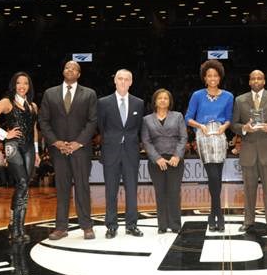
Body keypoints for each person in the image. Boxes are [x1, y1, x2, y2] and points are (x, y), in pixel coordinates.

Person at [38, 60, 97, 240]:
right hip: (59, 150)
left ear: (79, 74)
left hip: (81, 149)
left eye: (74, 68)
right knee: (62, 188)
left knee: (82, 187)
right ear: (63, 71)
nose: (70, 70)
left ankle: (86, 226)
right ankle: (61, 227)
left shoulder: (89, 94)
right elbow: (43, 121)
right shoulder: (50, 93)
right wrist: (56, 142)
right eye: (67, 67)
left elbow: (92, 121)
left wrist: (78, 143)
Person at [0, 72, 41, 242]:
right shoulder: (7, 102)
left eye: (25, 83)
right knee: (22, 183)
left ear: (29, 87)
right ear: (13, 85)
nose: (22, 86)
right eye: (18, 83)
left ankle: (16, 225)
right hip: (13, 146)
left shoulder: (33, 106)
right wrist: (4, 135)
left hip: (29, 147)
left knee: (24, 185)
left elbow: (34, 130)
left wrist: (36, 151)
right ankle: (16, 228)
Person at [230, 70, 267, 233]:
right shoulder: (240, 100)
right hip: (248, 151)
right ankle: (248, 221)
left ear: (264, 81)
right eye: (253, 78)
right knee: (248, 190)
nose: (256, 80)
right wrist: (244, 129)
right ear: (249, 82)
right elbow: (234, 124)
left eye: (259, 78)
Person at [185, 59, 234, 232]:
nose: (212, 78)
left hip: (220, 136)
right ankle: (218, 214)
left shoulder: (228, 96)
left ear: (219, 77)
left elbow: (229, 119)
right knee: (212, 175)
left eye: (215, 75)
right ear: (205, 78)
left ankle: (213, 214)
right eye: (209, 75)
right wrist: (200, 126)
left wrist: (224, 127)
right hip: (204, 135)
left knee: (217, 177)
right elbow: (188, 118)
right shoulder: (197, 95)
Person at [97, 69, 144, 238]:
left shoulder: (139, 103)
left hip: (131, 153)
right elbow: (101, 127)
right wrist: (113, 139)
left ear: (131, 82)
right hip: (111, 152)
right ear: (115, 81)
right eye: (120, 79)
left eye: (126, 79)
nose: (123, 82)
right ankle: (111, 225)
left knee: (132, 190)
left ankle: (132, 225)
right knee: (111, 190)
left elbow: (138, 127)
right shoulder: (103, 102)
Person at [141, 88, 187, 234]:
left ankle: (175, 225)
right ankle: (162, 225)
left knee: (174, 192)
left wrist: (177, 156)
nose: (162, 100)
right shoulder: (147, 119)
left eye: (165, 98)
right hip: (157, 161)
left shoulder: (178, 116)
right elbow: (146, 141)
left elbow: (183, 138)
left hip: (175, 160)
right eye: (159, 98)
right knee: (160, 193)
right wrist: (157, 158)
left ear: (169, 101)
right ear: (155, 101)